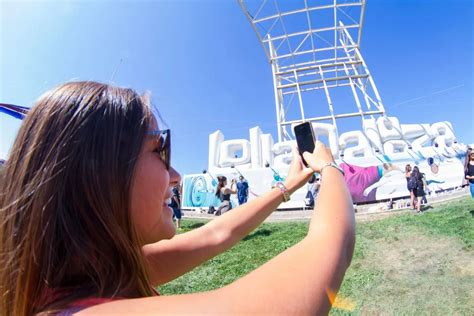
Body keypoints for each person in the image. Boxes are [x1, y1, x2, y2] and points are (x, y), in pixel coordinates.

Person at [0, 81, 355, 315]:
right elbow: (323, 255)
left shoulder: (95, 271)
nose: (176, 176)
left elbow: (217, 234)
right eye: (159, 151)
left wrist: (287, 187)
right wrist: (329, 168)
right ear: (99, 173)